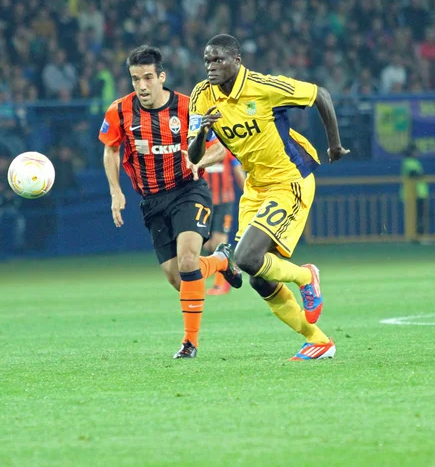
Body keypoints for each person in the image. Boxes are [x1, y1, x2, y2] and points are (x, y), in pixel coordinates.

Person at [188, 34, 350, 361]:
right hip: (256, 186)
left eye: (218, 60)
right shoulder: (201, 96)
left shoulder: (263, 87)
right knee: (259, 280)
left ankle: (306, 276)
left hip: (290, 179)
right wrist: (203, 132)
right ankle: (319, 341)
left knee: (247, 259)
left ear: (237, 60)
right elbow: (194, 155)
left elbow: (321, 94)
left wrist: (333, 144)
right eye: (207, 60)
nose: (211, 66)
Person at [99, 45, 243, 359]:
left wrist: (200, 160)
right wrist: (115, 191)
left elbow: (222, 148)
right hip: (151, 201)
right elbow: (110, 150)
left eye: (148, 77)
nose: (142, 85)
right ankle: (220, 261)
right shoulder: (119, 111)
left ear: (161, 77)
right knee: (179, 279)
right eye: (136, 78)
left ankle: (189, 343)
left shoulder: (188, 108)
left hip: (187, 190)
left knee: (189, 260)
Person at [204, 150, 246, 296]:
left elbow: (238, 172)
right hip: (204, 202)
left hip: (224, 202)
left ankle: (221, 284)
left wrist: (248, 192)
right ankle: (230, 269)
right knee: (207, 245)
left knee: (218, 243)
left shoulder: (227, 150)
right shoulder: (197, 150)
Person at [400, 142, 428, 238]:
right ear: (411, 152)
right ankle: (415, 237)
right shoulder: (409, 162)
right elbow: (414, 174)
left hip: (419, 193)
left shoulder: (414, 162)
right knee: (416, 217)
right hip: (413, 194)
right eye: (416, 151)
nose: (418, 153)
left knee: (419, 217)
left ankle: (417, 237)